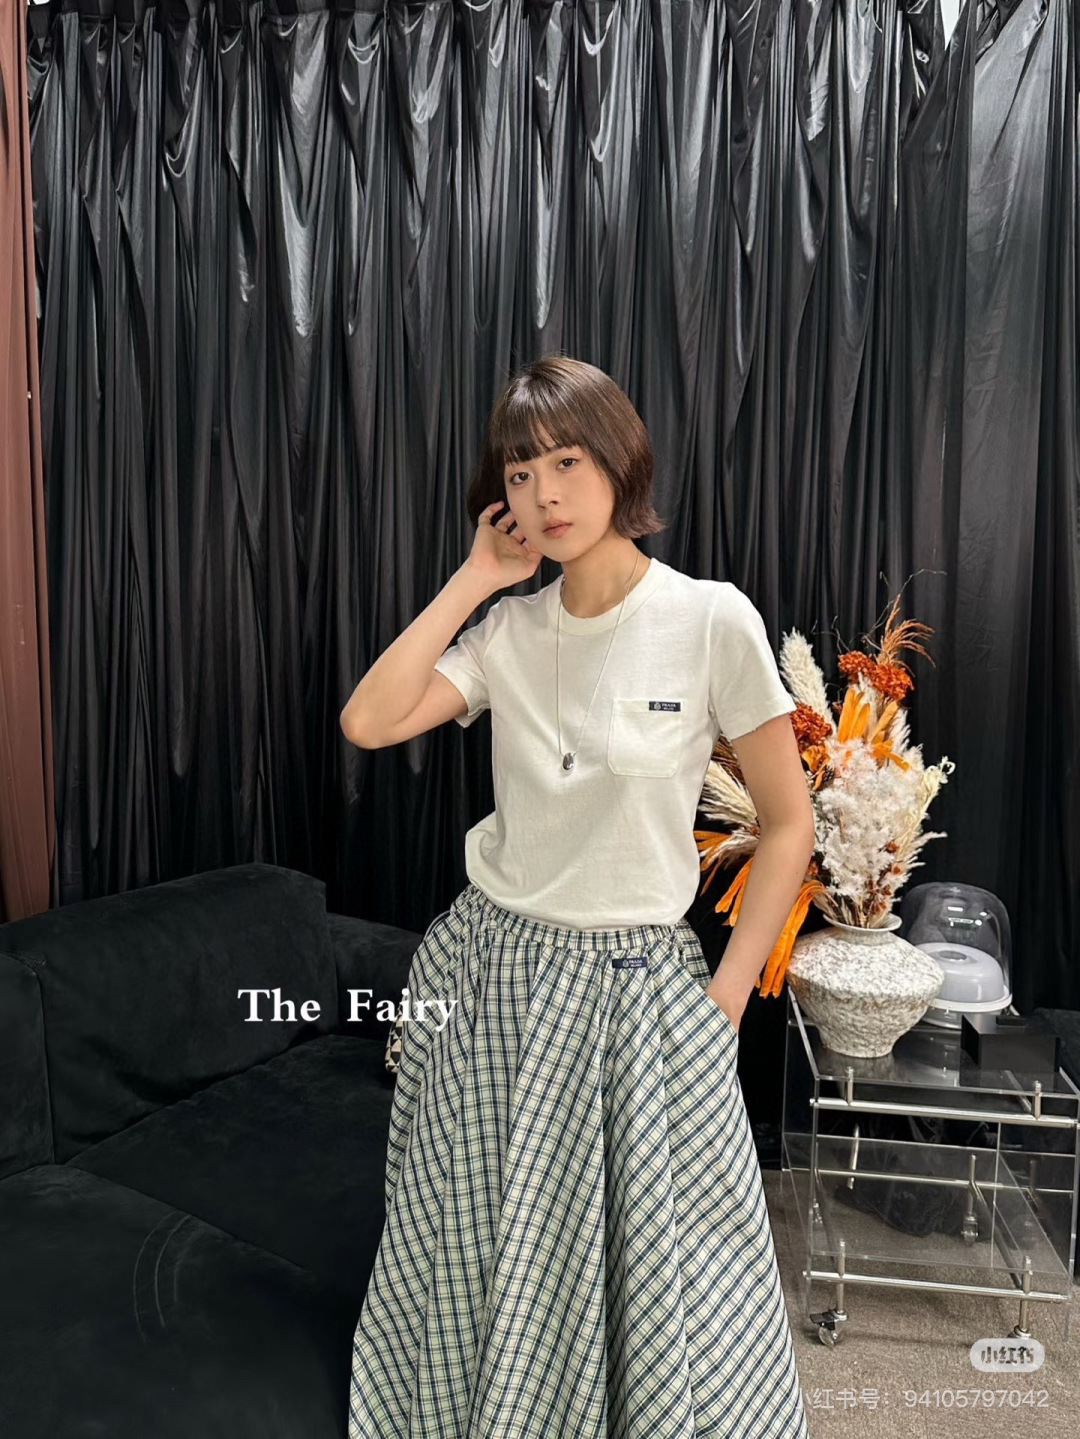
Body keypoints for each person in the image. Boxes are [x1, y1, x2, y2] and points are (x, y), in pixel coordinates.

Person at [340, 355, 815, 1438]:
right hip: (494, 971)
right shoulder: (507, 632)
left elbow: (788, 822)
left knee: (665, 1262)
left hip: (637, 987)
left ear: (617, 461)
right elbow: (369, 721)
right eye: (520, 471)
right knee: (483, 1238)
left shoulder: (709, 619)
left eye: (565, 461)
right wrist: (476, 580)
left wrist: (727, 998)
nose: (544, 493)